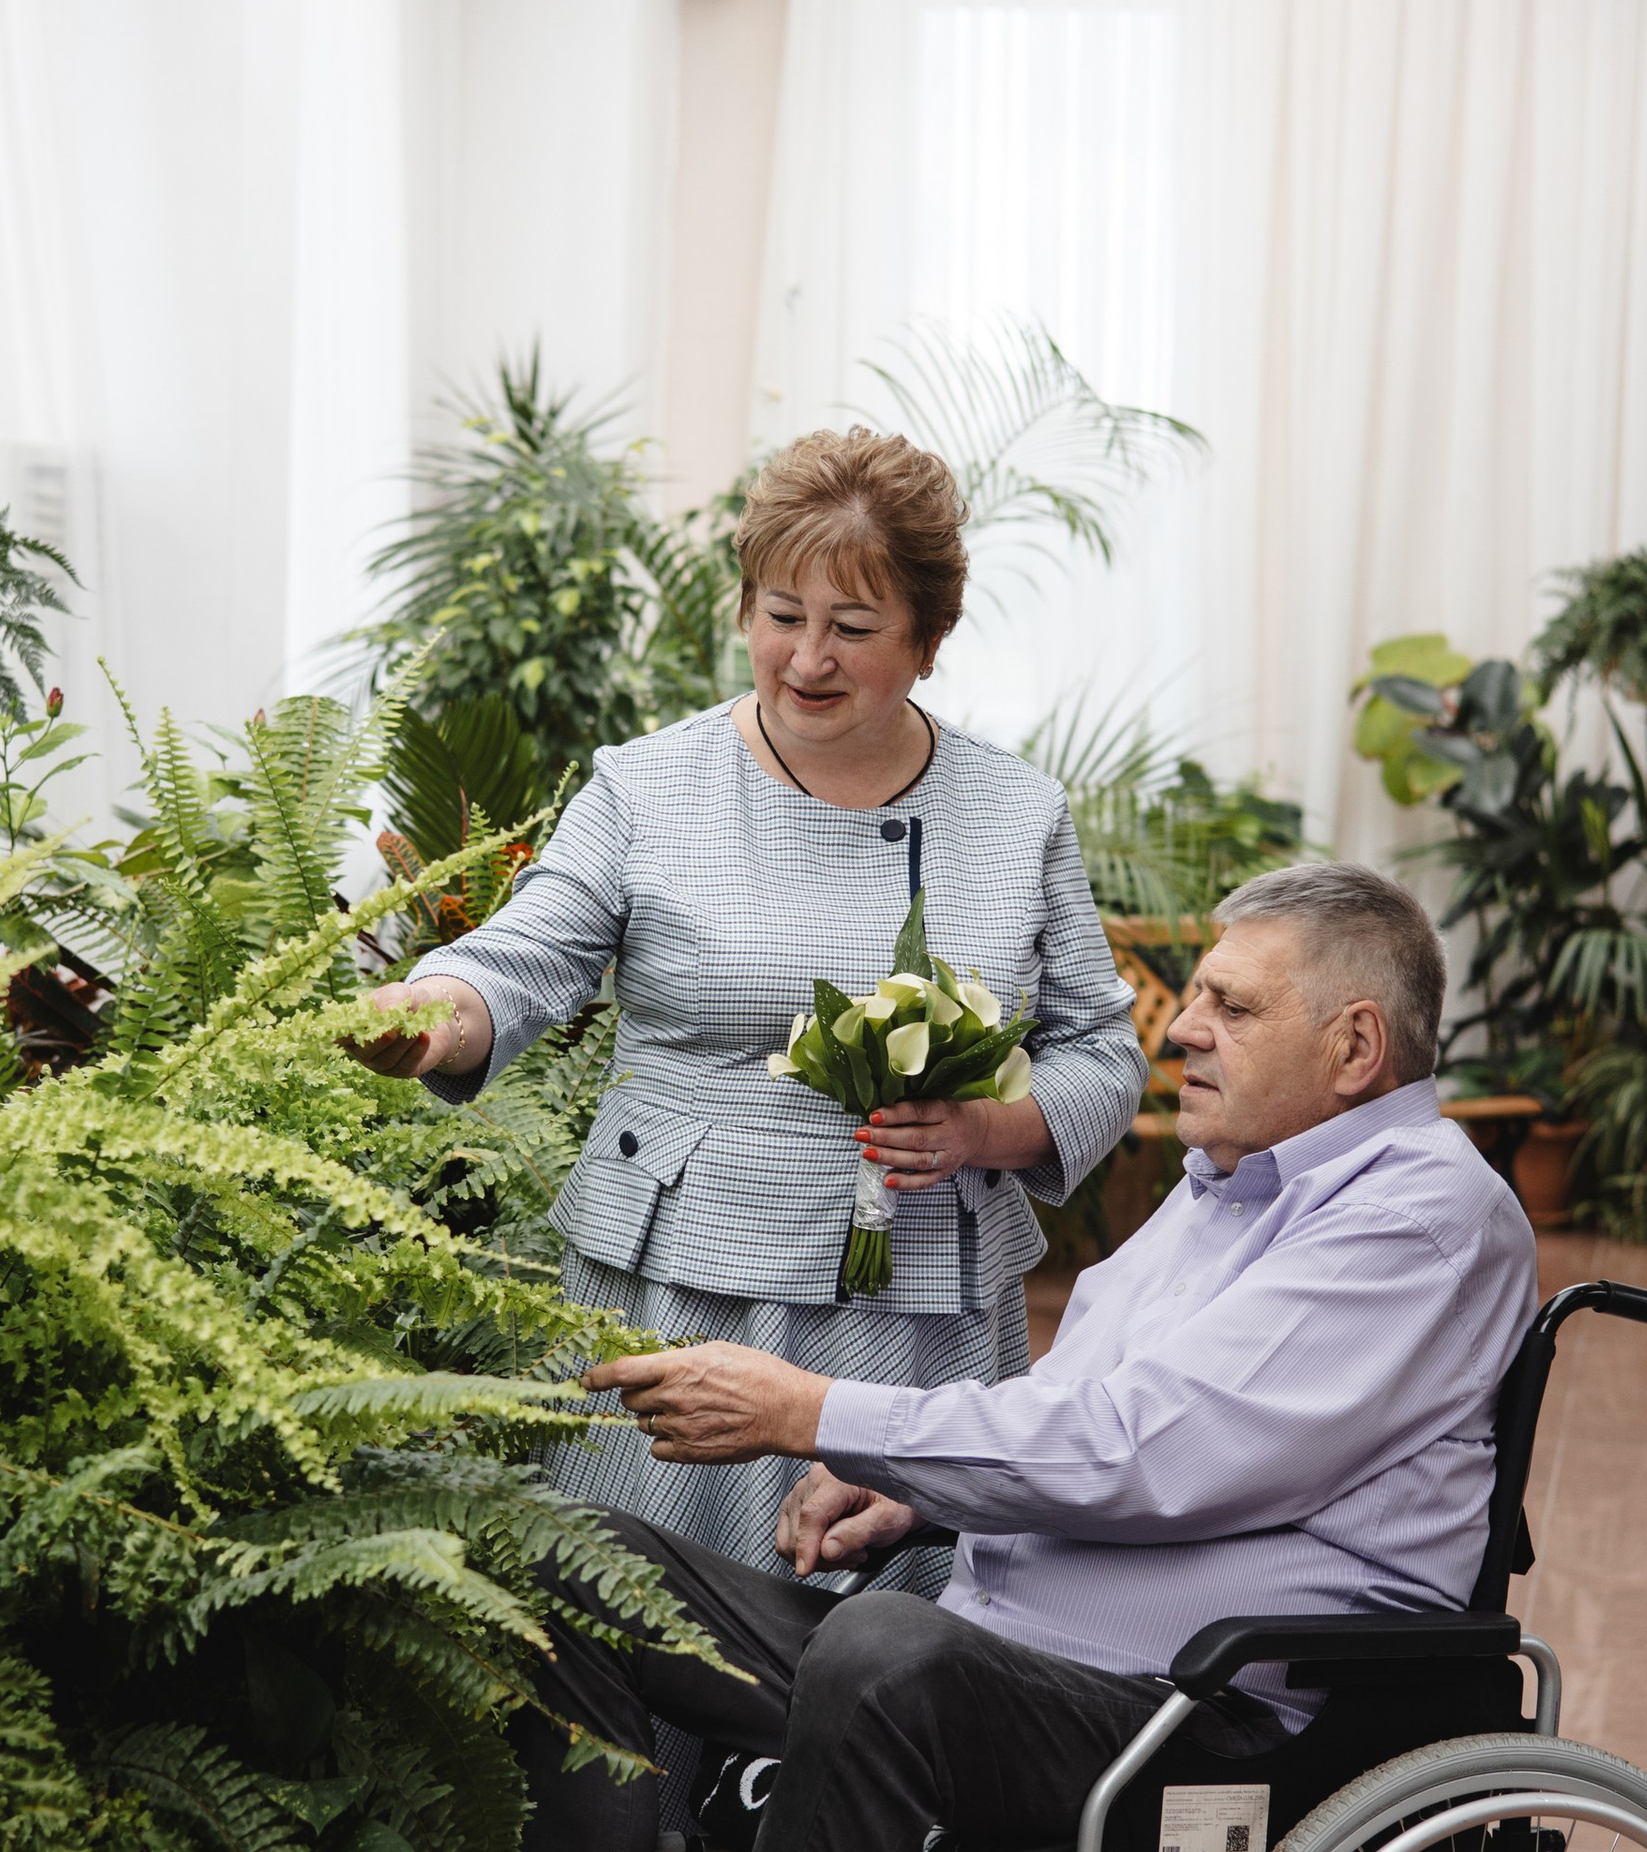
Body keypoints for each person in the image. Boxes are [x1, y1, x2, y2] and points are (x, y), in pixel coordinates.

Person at [444, 858, 1537, 1852]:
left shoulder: (1419, 1217)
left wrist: (820, 1413)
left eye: (1227, 1003)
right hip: (1009, 1660)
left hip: (1195, 1722)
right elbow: (1090, 1409)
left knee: (890, 1653)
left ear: (1354, 1047)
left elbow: (1155, 1453)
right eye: (1192, 1000)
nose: (1182, 1030)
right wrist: (921, 1488)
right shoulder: (1223, 1194)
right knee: (571, 1565)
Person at [355, 424, 1142, 1597]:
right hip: (681, 1292)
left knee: (881, 1670)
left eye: (853, 628)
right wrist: (436, 1011)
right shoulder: (647, 784)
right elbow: (526, 954)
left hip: (918, 1311)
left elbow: (1101, 1049)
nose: (807, 658)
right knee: (651, 1634)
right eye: (782, 615)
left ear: (928, 641)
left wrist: (989, 1131)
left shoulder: (1014, 812)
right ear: (743, 610)